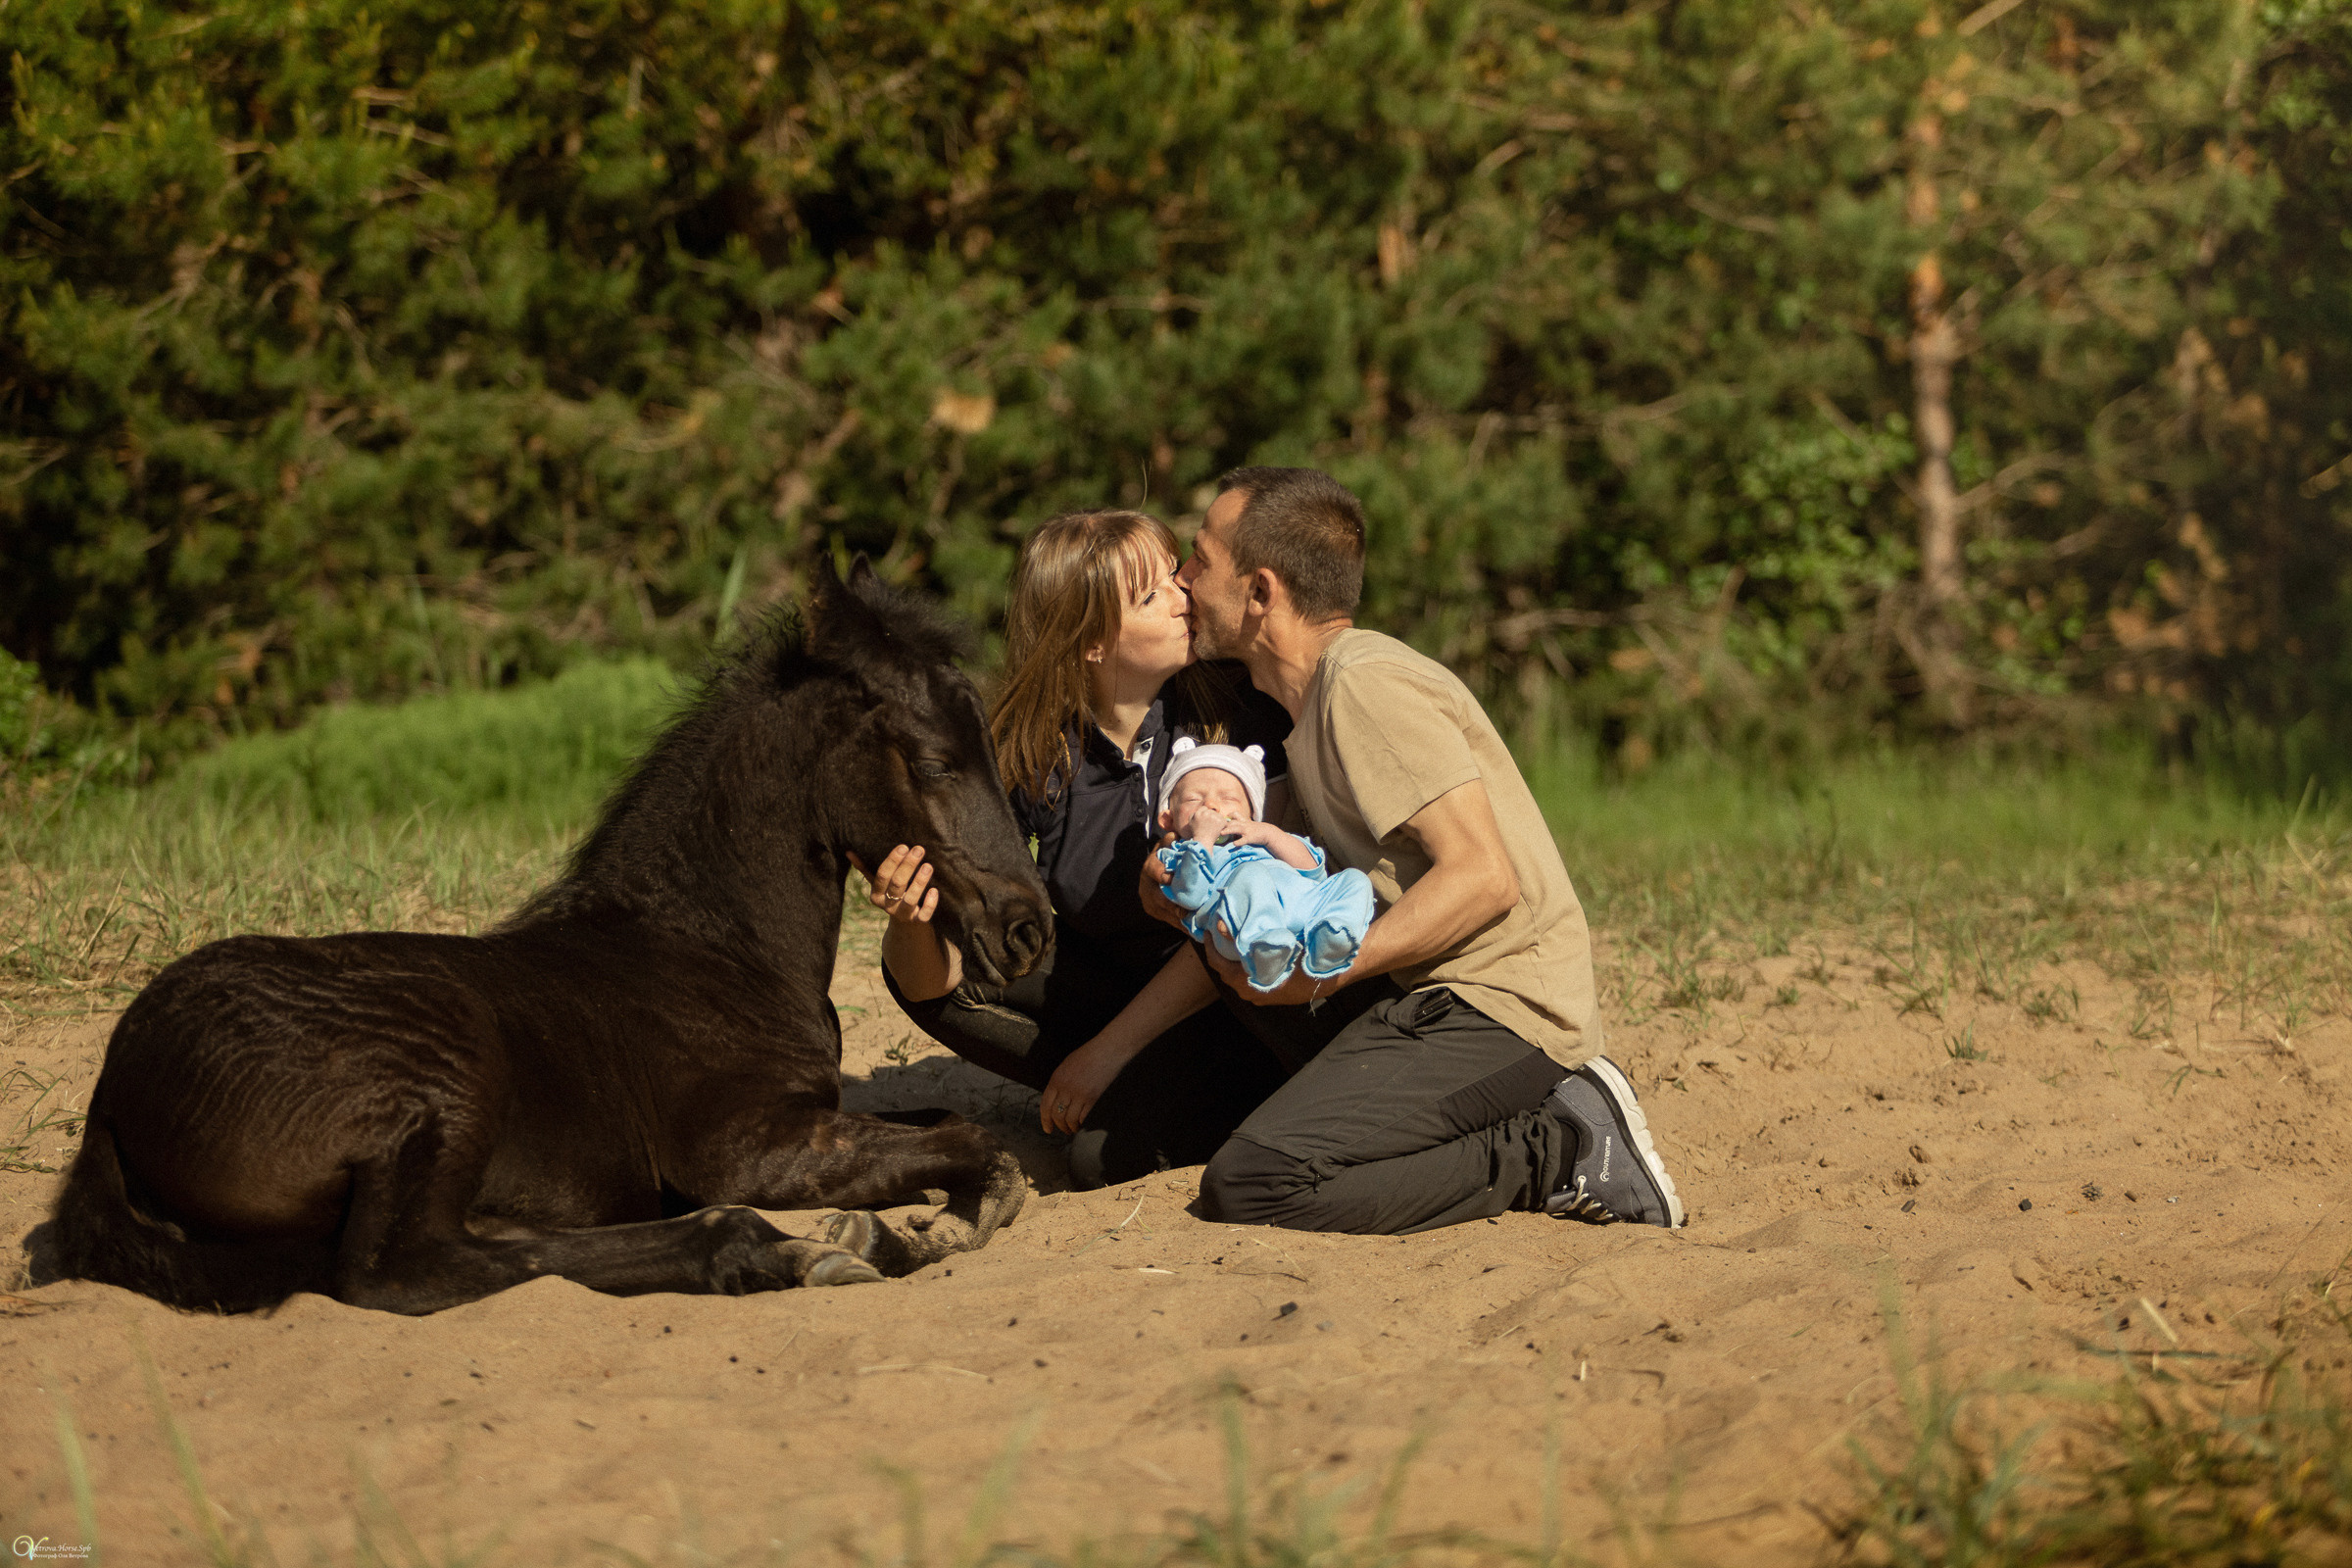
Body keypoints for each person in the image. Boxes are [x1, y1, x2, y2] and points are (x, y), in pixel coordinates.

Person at [1159, 466, 1684, 1235]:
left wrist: (1321, 970)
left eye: (1200, 560)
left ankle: (1559, 1146)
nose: (1183, 578)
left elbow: (1483, 878)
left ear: (1262, 591)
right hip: (1430, 995)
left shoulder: (1365, 684)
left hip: (1501, 1006)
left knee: (1257, 1182)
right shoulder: (1308, 709)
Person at [858, 509, 1298, 1190]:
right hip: (1110, 987)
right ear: (1092, 644)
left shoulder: (1239, 713)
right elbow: (929, 984)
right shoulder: (1031, 753)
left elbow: (1243, 928)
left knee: (1096, 1161)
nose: (1187, 596)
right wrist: (908, 917)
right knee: (924, 958)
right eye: (1154, 595)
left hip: (1230, 1002)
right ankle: (1122, 1080)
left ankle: (1164, 1088)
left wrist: (1104, 1054)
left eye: (1175, 576)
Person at [1152, 738, 1376, 992]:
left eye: (1229, 798)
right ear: (1167, 819)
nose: (1211, 805)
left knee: (1355, 879)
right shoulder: (1180, 854)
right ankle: (1267, 947)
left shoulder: (1265, 840)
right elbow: (1189, 895)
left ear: (1252, 815)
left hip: (1304, 910)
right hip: (1239, 928)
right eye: (1194, 799)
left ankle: (1333, 936)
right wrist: (1203, 838)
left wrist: (1270, 835)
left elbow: (1314, 872)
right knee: (1251, 875)